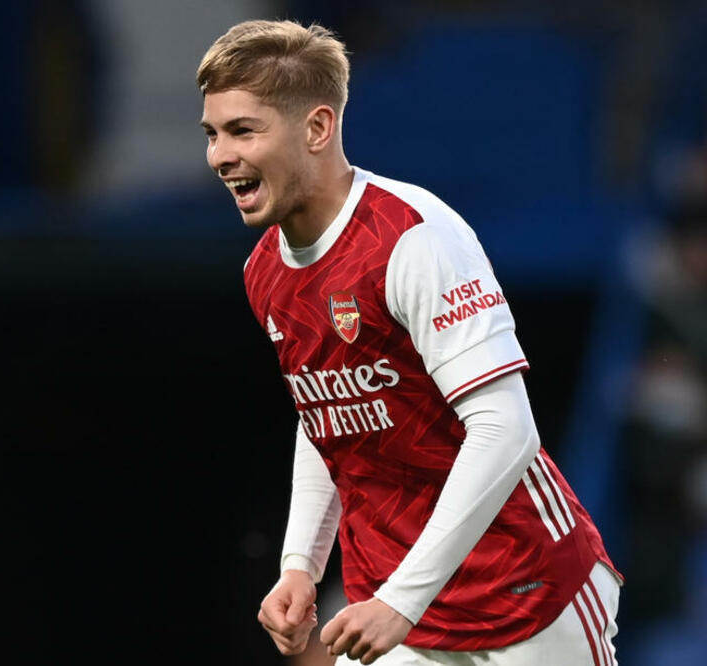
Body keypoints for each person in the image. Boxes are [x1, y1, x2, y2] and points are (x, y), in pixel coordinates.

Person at [196, 19, 622, 665]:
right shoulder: (265, 271)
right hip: (394, 610)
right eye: (212, 134)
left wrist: (402, 599)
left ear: (317, 128)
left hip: (526, 599)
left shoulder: (413, 239)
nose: (220, 156)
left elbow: (506, 428)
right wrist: (300, 565)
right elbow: (326, 414)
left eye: (243, 130)